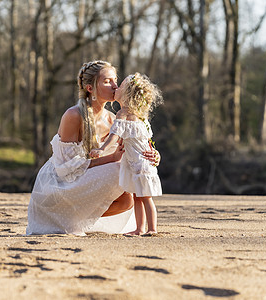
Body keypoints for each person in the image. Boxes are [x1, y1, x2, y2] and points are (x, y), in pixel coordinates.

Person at [26, 61, 160, 235]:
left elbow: (137, 144)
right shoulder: (73, 115)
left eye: (115, 80)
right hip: (60, 185)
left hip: (89, 179)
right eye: (107, 81)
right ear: (90, 88)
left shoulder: (114, 119)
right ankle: (63, 217)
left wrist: (152, 155)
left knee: (128, 196)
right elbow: (65, 168)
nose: (115, 86)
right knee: (121, 169)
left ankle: (82, 220)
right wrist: (111, 159)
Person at [90, 72, 163, 235]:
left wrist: (101, 149)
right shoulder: (140, 117)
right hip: (135, 163)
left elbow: (114, 135)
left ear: (127, 94)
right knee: (138, 197)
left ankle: (152, 228)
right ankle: (139, 228)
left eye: (120, 85)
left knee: (145, 197)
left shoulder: (123, 114)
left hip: (140, 164)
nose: (116, 87)